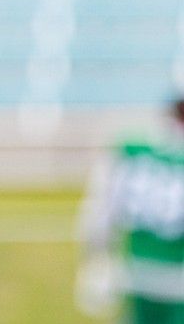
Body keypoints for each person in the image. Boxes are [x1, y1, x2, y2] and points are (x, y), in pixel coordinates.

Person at [77, 97, 184, 323]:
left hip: (140, 273)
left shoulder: (134, 150)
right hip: (158, 275)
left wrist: (96, 260)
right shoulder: (133, 150)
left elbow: (99, 213)